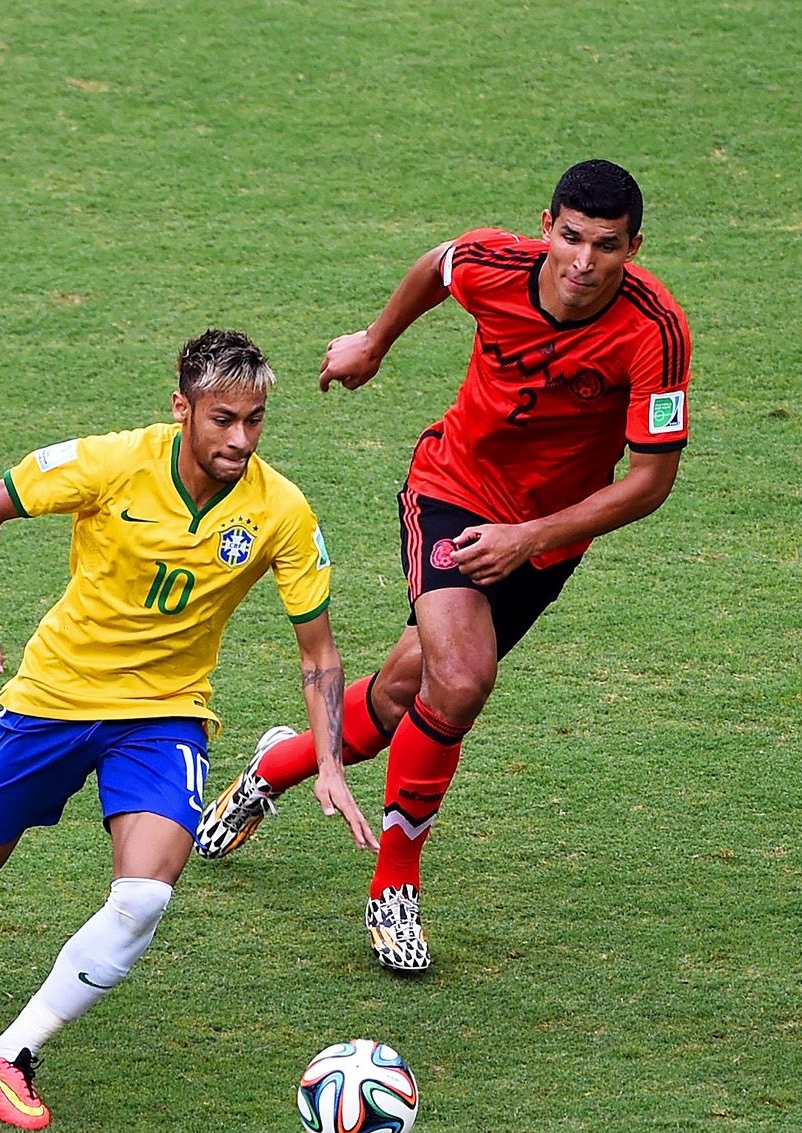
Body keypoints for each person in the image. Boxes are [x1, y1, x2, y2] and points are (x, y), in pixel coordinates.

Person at [196, 160, 693, 975]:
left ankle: (275, 765)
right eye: (570, 237)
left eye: (607, 246)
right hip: (453, 491)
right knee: (461, 680)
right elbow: (438, 263)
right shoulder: (496, 265)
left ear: (634, 247)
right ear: (546, 226)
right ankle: (394, 887)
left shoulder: (655, 331)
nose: (583, 262)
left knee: (405, 692)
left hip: (546, 535)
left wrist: (530, 538)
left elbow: (650, 482)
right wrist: (372, 343)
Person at [0, 330, 377, 1131]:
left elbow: (318, 652)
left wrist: (329, 763)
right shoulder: (114, 463)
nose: (240, 440)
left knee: (143, 897)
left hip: (165, 714)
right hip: (53, 698)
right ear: (182, 409)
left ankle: (12, 1053)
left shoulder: (281, 510)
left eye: (255, 421)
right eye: (223, 420)